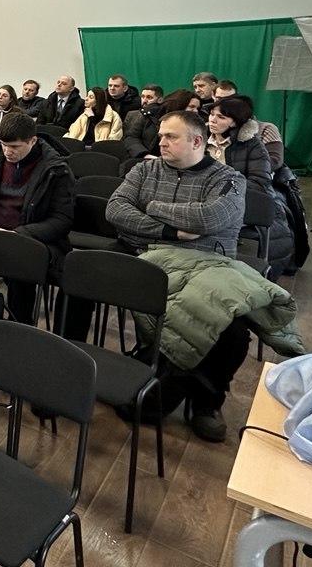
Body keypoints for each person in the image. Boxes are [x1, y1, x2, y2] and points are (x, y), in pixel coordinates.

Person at [105, 110, 247, 441]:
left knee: (234, 332)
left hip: (205, 266)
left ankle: (206, 402)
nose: (161, 142)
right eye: (161, 136)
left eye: (171, 136)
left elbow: (209, 218)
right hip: (151, 261)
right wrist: (171, 231)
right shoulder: (145, 169)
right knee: (101, 278)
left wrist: (151, 207)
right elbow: (115, 209)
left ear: (197, 141)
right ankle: (160, 374)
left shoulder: (228, 179)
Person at [0, 113, 84, 336]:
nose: (7, 151)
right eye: (3, 144)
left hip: (33, 239)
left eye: (15, 146)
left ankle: (18, 330)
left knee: (19, 260)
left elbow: (62, 220)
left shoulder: (56, 170)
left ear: (32, 141)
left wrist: (19, 234)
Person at [206, 95, 293, 271]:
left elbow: (259, 183)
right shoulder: (201, 141)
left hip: (241, 202)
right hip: (206, 200)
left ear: (234, 122)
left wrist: (223, 189)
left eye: (221, 117)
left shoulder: (253, 146)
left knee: (205, 223)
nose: (212, 120)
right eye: (212, 114)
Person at [123, 84, 165, 159]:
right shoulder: (132, 115)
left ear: (160, 100)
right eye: (142, 97)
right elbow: (129, 138)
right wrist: (144, 154)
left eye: (149, 97)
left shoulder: (165, 116)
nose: (144, 100)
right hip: (139, 156)